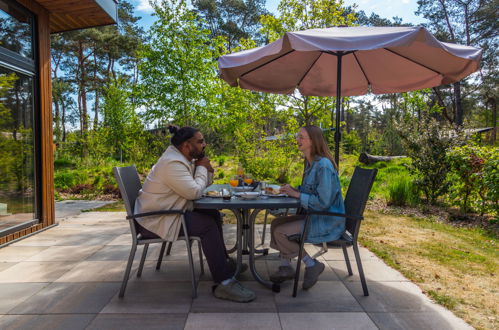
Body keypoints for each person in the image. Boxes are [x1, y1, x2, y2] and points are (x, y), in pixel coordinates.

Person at [134, 125, 255, 303]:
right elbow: (194, 193)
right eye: (200, 141)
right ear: (186, 145)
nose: (204, 144)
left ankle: (223, 263)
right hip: (154, 221)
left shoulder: (181, 159)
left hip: (167, 212)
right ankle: (224, 282)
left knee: (211, 213)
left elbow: (202, 187)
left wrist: (205, 169)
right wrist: (201, 169)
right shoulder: (172, 164)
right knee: (206, 226)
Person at [269, 125, 345, 290]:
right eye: (298, 136)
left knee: (280, 232)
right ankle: (285, 267)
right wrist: (294, 190)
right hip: (316, 216)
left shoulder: (323, 166)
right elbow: (311, 191)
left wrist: (296, 195)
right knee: (276, 223)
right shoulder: (312, 164)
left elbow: (323, 202)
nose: (298, 139)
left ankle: (311, 265)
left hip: (326, 221)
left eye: (301, 137)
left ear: (313, 141)